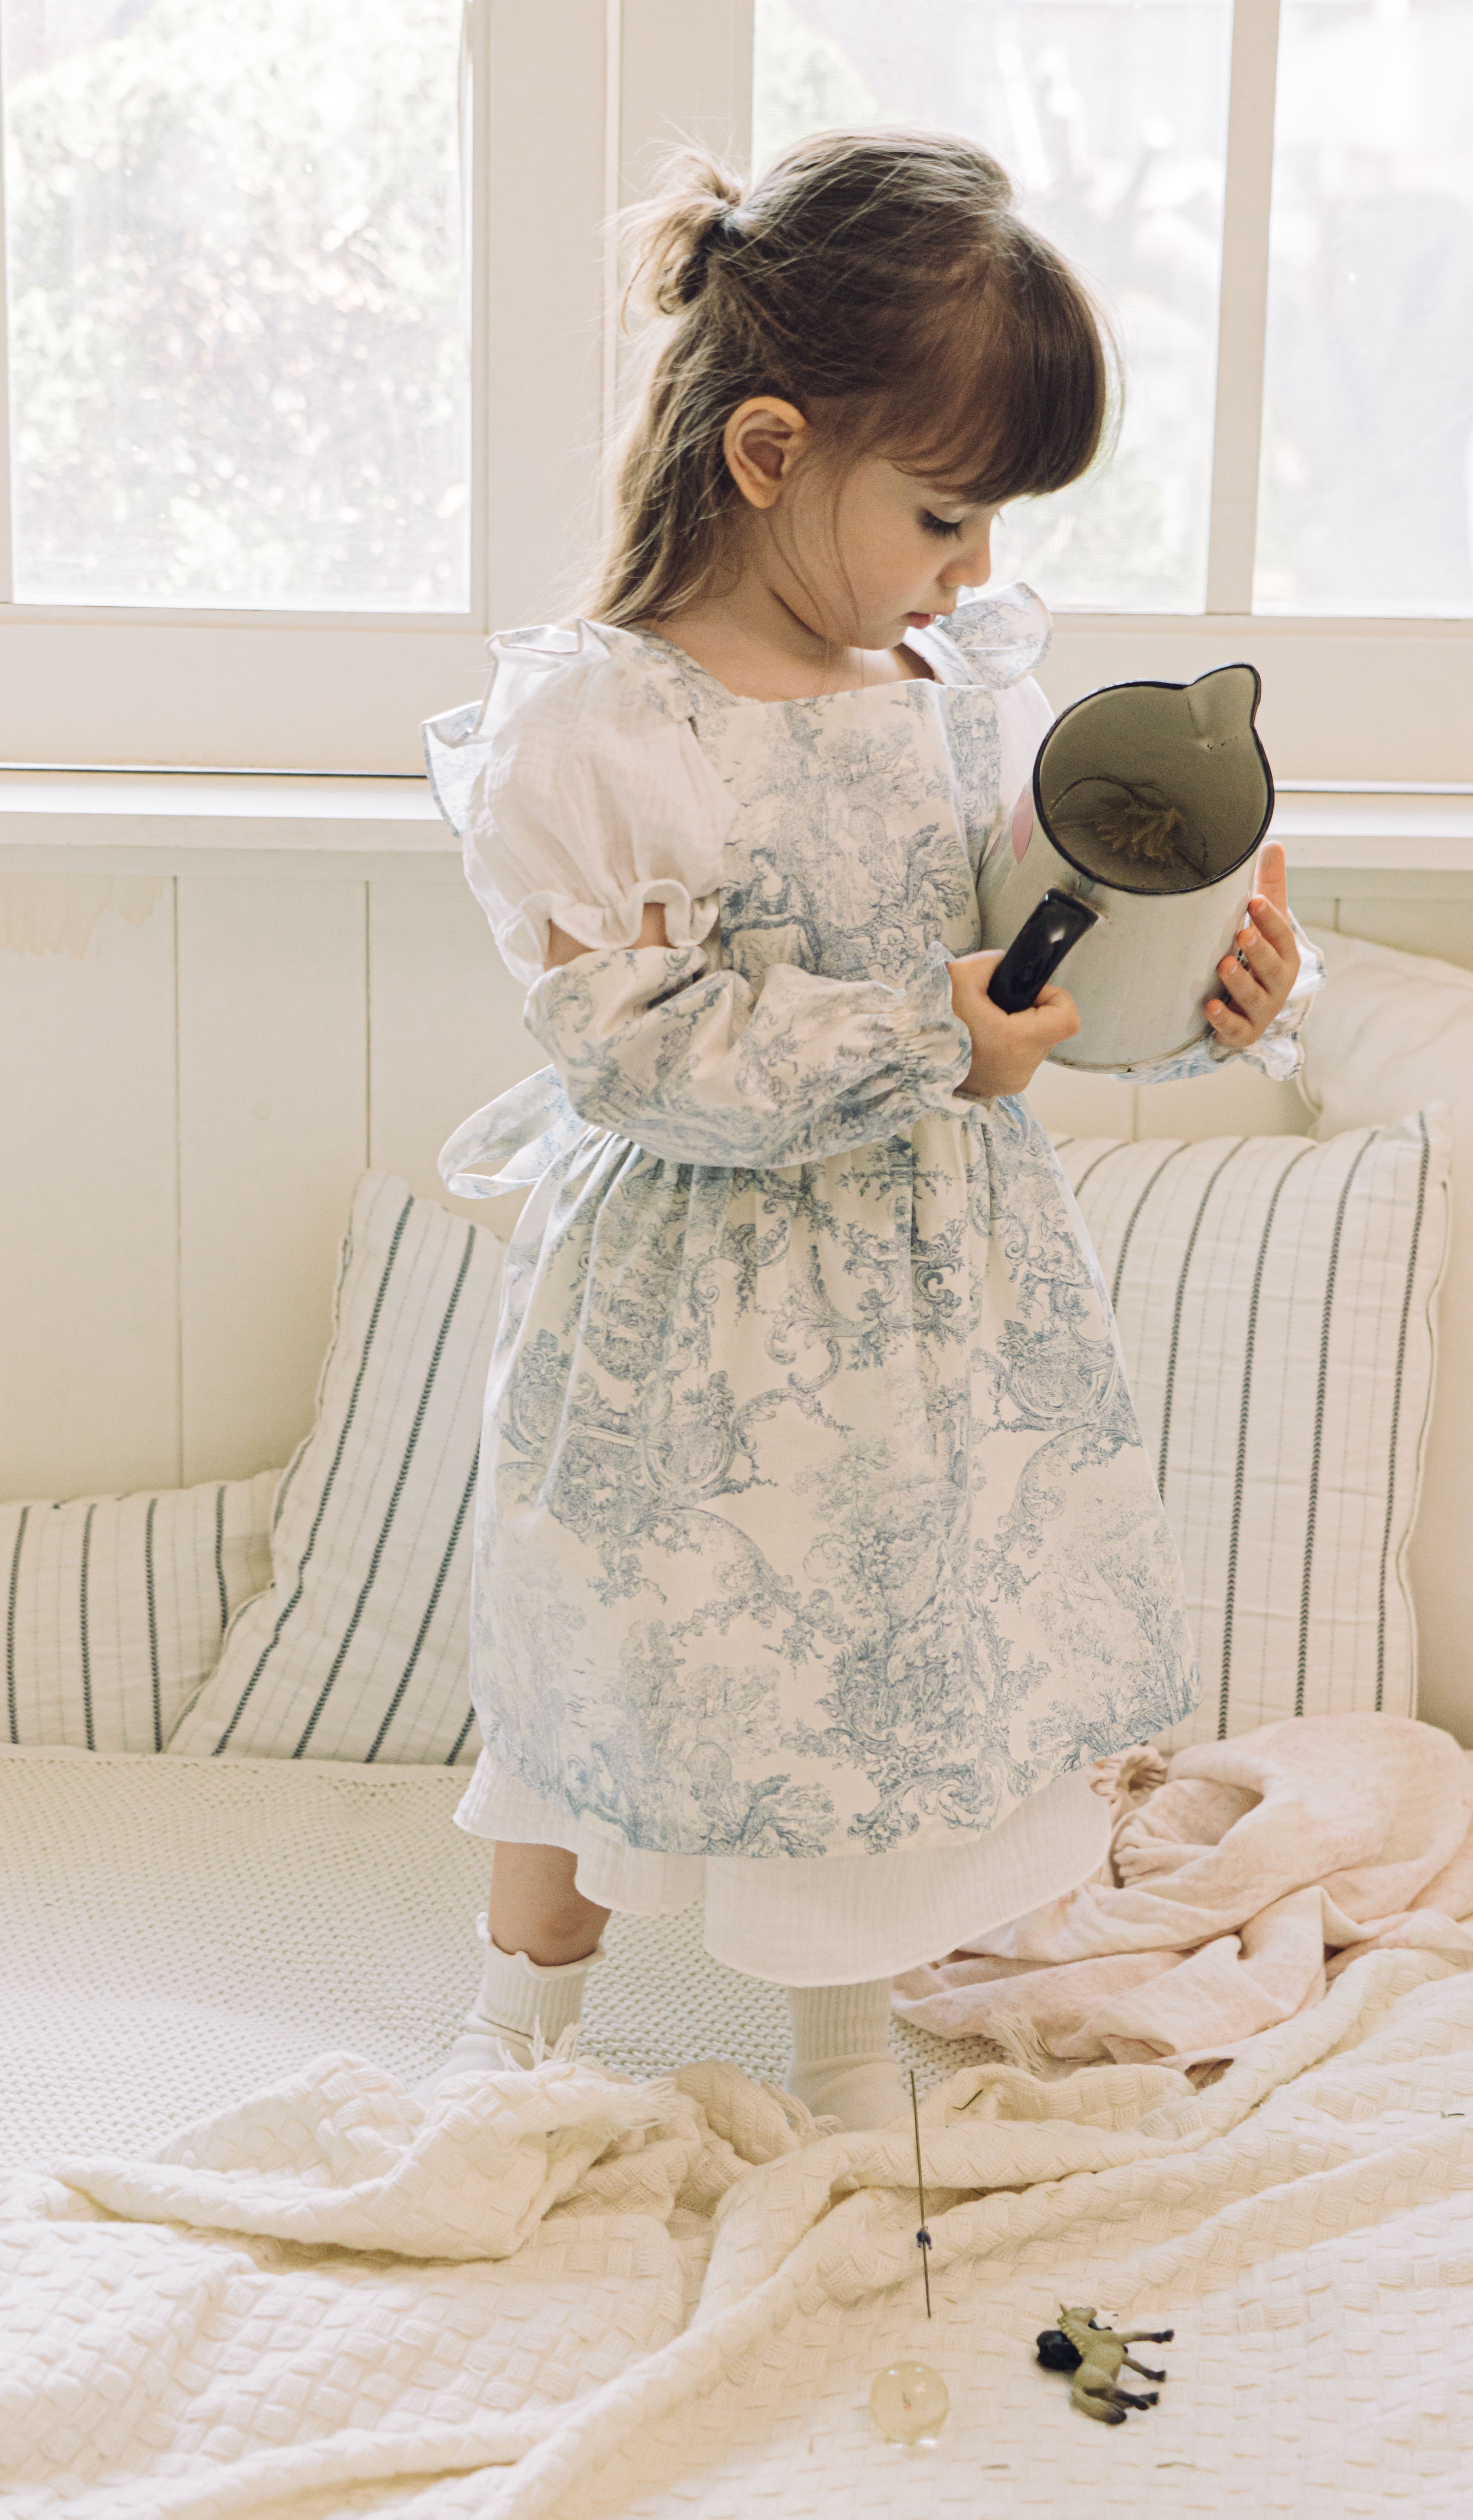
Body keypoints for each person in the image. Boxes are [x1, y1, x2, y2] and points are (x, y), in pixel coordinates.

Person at [421, 129, 1313, 2129]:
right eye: (941, 514)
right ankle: (517, 2023)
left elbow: (1042, 956)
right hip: (699, 1302)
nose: (973, 568)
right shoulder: (611, 728)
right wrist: (925, 1034)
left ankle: (844, 2051)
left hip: (926, 1299)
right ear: (768, 453)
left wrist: (1207, 1004)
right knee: (609, 1654)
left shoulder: (953, 684)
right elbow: (631, 1049)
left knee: (883, 1654)